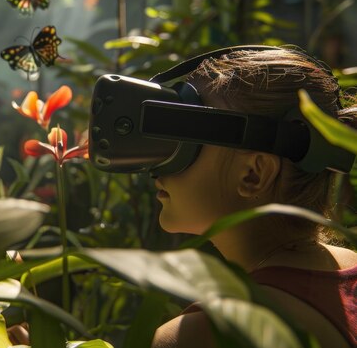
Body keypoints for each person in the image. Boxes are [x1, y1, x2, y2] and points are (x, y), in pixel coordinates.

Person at [150, 47, 357, 348]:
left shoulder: (206, 335)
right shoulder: (349, 270)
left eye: (185, 142)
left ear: (253, 174)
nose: (158, 165)